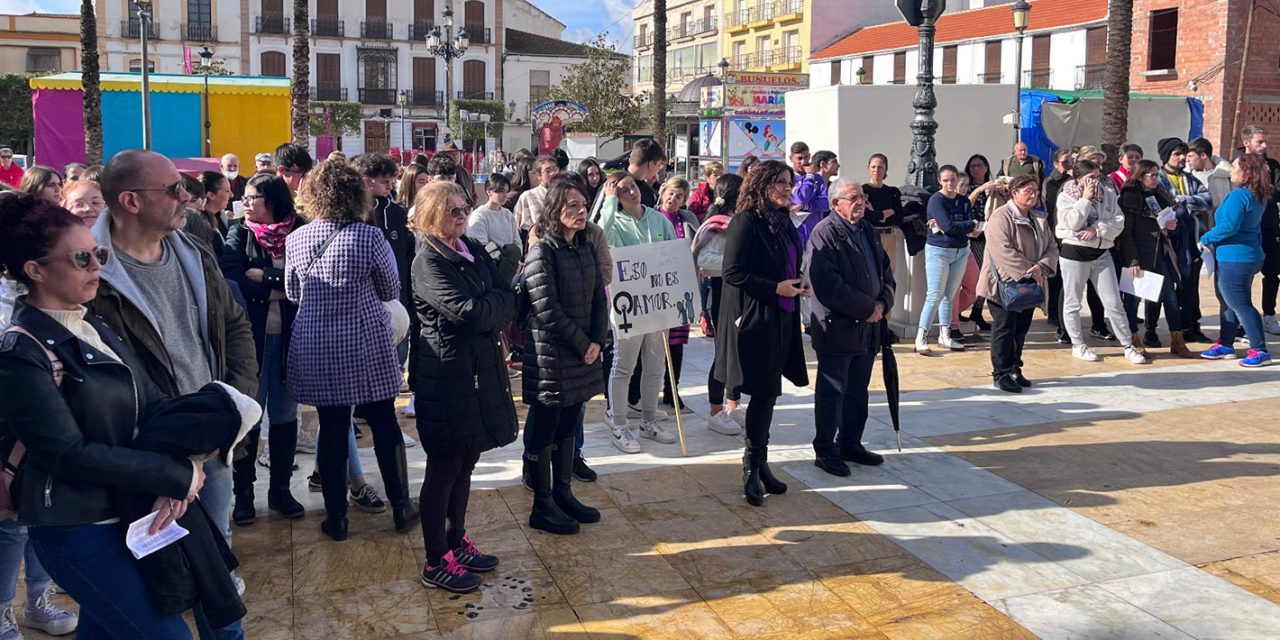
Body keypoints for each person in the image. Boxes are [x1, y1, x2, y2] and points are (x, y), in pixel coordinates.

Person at [0, 192, 257, 639]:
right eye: (82, 258)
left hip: (131, 511)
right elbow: (69, 454)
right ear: (35, 270)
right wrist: (173, 474)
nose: (97, 266)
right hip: (77, 527)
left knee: (118, 628)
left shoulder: (92, 324)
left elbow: (153, 403)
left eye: (98, 254)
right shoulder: (20, 352)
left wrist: (187, 462)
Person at [89, 149, 259, 595]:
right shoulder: (90, 272)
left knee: (217, 545)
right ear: (130, 201)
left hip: (213, 435)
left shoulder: (194, 251)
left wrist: (237, 401)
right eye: (172, 189)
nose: (187, 196)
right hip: (146, 449)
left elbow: (234, 325)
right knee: (154, 567)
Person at [283, 159, 415, 541]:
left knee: (334, 427)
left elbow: (294, 294)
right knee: (384, 423)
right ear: (357, 194)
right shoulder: (370, 236)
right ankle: (402, 507)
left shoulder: (297, 238)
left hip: (316, 343)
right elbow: (391, 290)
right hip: (364, 341)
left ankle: (337, 517)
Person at [409, 181, 518, 592]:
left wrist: (495, 306)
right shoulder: (429, 262)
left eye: (462, 208)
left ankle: (457, 541)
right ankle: (436, 559)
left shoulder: (468, 247)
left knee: (467, 460)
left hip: (476, 373)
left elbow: (505, 292)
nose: (460, 216)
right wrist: (495, 308)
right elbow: (468, 313)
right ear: (432, 214)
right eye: (451, 210)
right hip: (446, 376)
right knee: (445, 466)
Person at [715, 160, 809, 507]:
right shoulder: (746, 222)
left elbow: (789, 265)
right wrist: (775, 288)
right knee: (762, 392)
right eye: (781, 183)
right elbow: (732, 273)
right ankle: (750, 468)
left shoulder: (784, 223)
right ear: (763, 185)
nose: (787, 189)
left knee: (770, 395)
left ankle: (762, 464)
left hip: (783, 317)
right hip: (755, 319)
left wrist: (800, 282)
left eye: (790, 183)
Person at [521, 179, 607, 535]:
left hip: (583, 352)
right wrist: (581, 343)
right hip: (553, 354)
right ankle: (542, 504)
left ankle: (563, 492)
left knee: (571, 421)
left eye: (582, 204)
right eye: (571, 205)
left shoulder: (584, 247)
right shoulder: (543, 251)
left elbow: (599, 297)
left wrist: (597, 341)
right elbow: (546, 307)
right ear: (555, 211)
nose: (580, 210)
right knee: (546, 425)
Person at [224, 173, 306, 525]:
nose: (246, 204)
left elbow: (305, 278)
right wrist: (281, 285)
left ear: (271, 200)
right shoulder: (239, 232)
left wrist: (267, 277)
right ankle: (244, 493)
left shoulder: (301, 230)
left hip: (291, 339)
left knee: (286, 416)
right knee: (250, 415)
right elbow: (233, 278)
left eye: (253, 197)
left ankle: (281, 490)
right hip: (252, 340)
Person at [808, 179, 895, 477]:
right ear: (836, 204)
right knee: (832, 391)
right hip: (838, 327)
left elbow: (885, 270)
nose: (861, 202)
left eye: (862, 197)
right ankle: (825, 449)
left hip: (868, 327)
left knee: (858, 390)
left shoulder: (867, 230)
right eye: (854, 197)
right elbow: (829, 286)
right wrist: (867, 308)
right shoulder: (825, 234)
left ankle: (850, 442)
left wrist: (883, 303)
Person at [598, 172, 679, 453]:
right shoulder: (614, 220)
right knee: (624, 365)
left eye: (632, 186)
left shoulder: (658, 218)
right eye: (622, 191)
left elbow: (674, 252)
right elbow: (601, 236)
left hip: (658, 303)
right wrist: (608, 203)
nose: (631, 192)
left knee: (655, 365)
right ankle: (618, 422)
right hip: (628, 305)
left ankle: (648, 419)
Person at [1055, 160, 1149, 364]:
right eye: (1090, 178)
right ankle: (1078, 344)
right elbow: (1071, 223)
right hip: (1074, 254)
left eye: (1097, 177)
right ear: (1078, 179)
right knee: (1073, 301)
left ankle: (1127, 344)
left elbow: (1118, 222)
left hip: (1101, 252)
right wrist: (1085, 200)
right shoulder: (1066, 196)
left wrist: (1097, 229)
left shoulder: (1108, 194)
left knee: (1113, 301)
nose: (1094, 182)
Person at [353, 153, 417, 432]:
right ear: (366, 182)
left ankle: (383, 404)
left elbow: (407, 253)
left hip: (396, 296)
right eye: (385, 181)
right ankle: (361, 408)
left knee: (395, 355)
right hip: (365, 301)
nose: (391, 186)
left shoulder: (398, 213)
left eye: (393, 180)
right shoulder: (355, 214)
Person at [979, 175, 1057, 392]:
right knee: (1004, 329)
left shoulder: (1038, 218)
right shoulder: (1001, 217)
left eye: (1035, 190)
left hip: (1031, 282)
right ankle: (1001, 373)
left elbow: (1051, 246)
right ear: (1014, 193)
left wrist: (1042, 267)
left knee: (1021, 329)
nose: (1033, 194)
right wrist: (1028, 270)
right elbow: (1001, 249)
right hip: (1003, 283)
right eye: (1027, 190)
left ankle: (1015, 367)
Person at [1199, 154, 1273, 366]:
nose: (1230, 171)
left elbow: (1229, 226)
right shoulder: (1256, 195)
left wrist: (1205, 238)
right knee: (1227, 302)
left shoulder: (1239, 196)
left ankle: (1260, 350)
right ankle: (1226, 344)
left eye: (1234, 167)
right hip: (1244, 255)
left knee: (1240, 304)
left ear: (1246, 172)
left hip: (1236, 258)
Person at [1116, 159, 1195, 357]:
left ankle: (1177, 339)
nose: (1155, 178)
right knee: (1132, 301)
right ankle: (1133, 339)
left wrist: (1173, 228)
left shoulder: (1160, 194)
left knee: (1170, 297)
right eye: (1151, 175)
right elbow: (1126, 233)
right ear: (1140, 176)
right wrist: (1132, 260)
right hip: (1140, 255)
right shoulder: (1129, 196)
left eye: (1156, 175)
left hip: (1160, 254)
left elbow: (1172, 221)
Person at [692, 173, 746, 436]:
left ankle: (734, 404)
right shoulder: (715, 225)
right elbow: (704, 261)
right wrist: (737, 263)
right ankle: (716, 410)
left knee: (739, 353)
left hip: (741, 296)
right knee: (723, 354)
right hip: (722, 296)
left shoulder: (740, 221)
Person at [1155, 137, 1214, 343]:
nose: (1182, 158)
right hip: (1167, 242)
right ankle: (1155, 329)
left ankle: (1191, 326)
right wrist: (1182, 205)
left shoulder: (1190, 179)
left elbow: (1207, 200)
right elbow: (1165, 204)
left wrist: (1183, 200)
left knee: (1191, 285)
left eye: (1184, 154)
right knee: (1165, 286)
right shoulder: (1158, 178)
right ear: (1166, 157)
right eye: (1177, 154)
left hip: (1190, 240)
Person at [917, 165, 978, 353]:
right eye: (945, 180)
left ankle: (945, 335)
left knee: (950, 295)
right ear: (939, 181)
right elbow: (948, 226)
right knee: (934, 294)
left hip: (961, 251)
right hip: (939, 251)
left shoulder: (963, 201)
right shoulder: (936, 200)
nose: (950, 184)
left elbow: (969, 224)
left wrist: (965, 225)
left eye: (953, 180)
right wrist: (967, 225)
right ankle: (921, 337)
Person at [652, 176, 699, 410]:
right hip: (657, 288)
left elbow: (696, 248)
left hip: (681, 287)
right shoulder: (651, 217)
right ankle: (647, 391)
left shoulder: (687, 220)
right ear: (662, 192)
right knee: (655, 341)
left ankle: (672, 389)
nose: (673, 198)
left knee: (676, 342)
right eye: (671, 193)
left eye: (679, 196)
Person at [1235, 125, 1280, 335]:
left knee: (1272, 272)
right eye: (1259, 142)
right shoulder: (1237, 164)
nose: (1264, 146)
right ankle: (1241, 319)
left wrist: (1267, 181)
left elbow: (1276, 194)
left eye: (1265, 142)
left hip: (1269, 227)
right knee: (1244, 276)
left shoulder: (1272, 166)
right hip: (1245, 230)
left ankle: (1269, 314)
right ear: (1247, 143)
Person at [963, 154, 999, 331]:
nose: (975, 169)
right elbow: (965, 206)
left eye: (979, 166)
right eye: (972, 166)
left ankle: (977, 310)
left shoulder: (994, 186)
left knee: (987, 273)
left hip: (991, 234)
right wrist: (978, 190)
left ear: (986, 168)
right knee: (978, 273)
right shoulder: (967, 187)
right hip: (975, 235)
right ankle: (965, 308)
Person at [467, 172, 522, 286]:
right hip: (490, 268)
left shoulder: (507, 214)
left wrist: (514, 260)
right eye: (500, 191)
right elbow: (480, 244)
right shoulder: (480, 215)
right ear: (489, 191)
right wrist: (500, 260)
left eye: (506, 191)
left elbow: (517, 241)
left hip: (511, 263)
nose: (504, 195)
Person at [792, 150, 839, 245]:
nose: (838, 165)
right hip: (803, 235)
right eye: (834, 162)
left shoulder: (833, 186)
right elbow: (799, 200)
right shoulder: (804, 181)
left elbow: (826, 204)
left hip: (825, 235)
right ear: (823, 164)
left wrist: (805, 206)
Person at [1186, 137, 1233, 228]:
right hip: (1196, 229)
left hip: (1222, 228)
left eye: (1190, 156)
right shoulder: (1188, 177)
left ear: (1203, 155)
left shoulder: (1225, 174)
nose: (1187, 160)